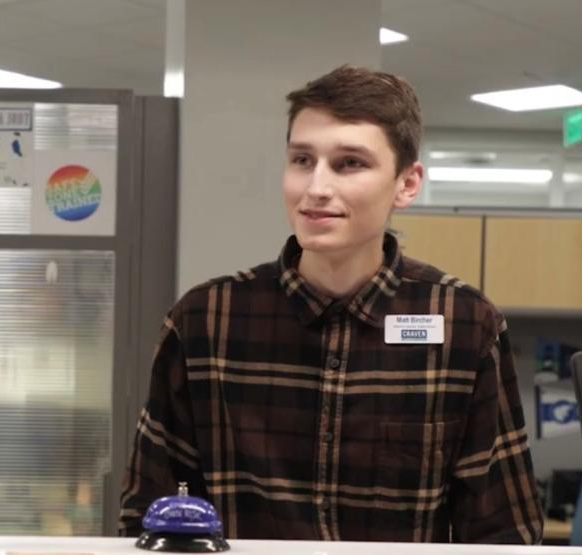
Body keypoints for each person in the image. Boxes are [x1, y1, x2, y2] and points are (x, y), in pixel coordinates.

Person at [120, 65, 542, 544]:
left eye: (349, 164)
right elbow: (148, 519)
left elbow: (502, 535)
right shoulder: (205, 320)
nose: (316, 188)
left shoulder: (464, 323)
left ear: (406, 183)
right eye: (302, 160)